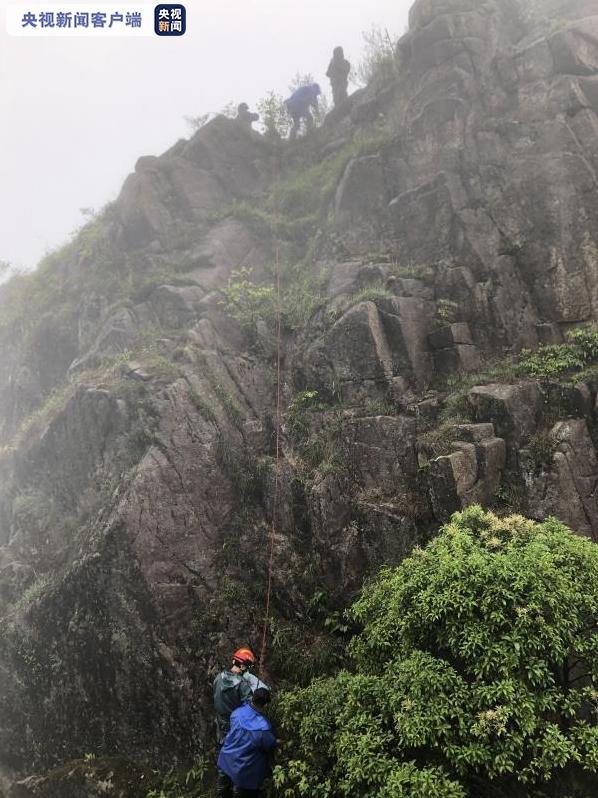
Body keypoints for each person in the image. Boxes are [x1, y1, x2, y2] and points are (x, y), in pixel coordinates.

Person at [217, 688, 278, 798]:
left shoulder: (237, 712)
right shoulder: (263, 727)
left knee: (223, 792)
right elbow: (270, 744)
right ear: (265, 705)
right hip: (243, 769)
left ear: (253, 698)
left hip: (226, 759)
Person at [213, 648, 256, 747]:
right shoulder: (242, 684)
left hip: (220, 722)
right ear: (243, 666)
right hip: (235, 725)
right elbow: (251, 709)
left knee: (223, 749)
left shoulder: (218, 677)